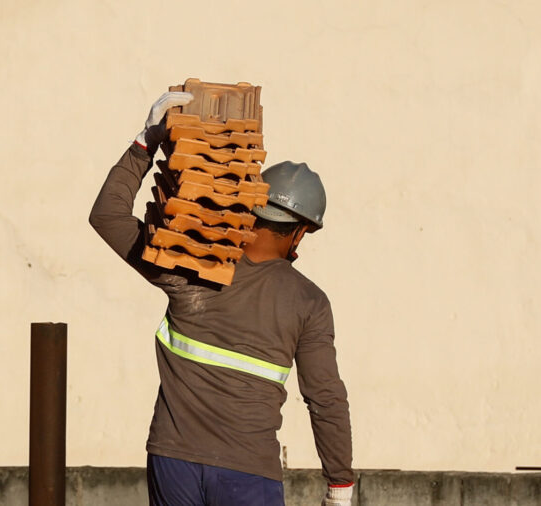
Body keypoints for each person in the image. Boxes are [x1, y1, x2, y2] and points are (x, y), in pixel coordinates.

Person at [89, 92, 353, 506]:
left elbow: (107, 215)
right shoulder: (309, 303)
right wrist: (340, 485)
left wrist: (146, 142)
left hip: (172, 459)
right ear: (300, 231)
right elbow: (325, 398)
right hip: (249, 472)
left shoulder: (188, 263)